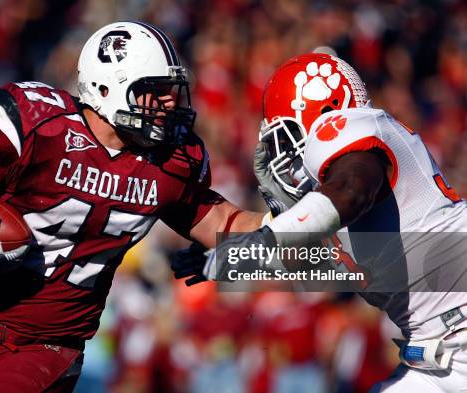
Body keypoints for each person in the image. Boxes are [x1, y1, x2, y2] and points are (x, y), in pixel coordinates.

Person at [0, 21, 265, 393]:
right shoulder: (41, 128)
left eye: (173, 92)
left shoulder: (170, 162)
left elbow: (225, 223)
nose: (171, 104)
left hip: (47, 347)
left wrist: (304, 222)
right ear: (108, 87)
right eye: (155, 92)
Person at [172, 53, 467, 392]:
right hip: (438, 359)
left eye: (282, 138)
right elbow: (311, 261)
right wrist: (232, 256)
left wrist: (258, 246)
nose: (281, 154)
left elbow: (351, 189)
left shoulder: (351, 134)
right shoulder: (342, 215)